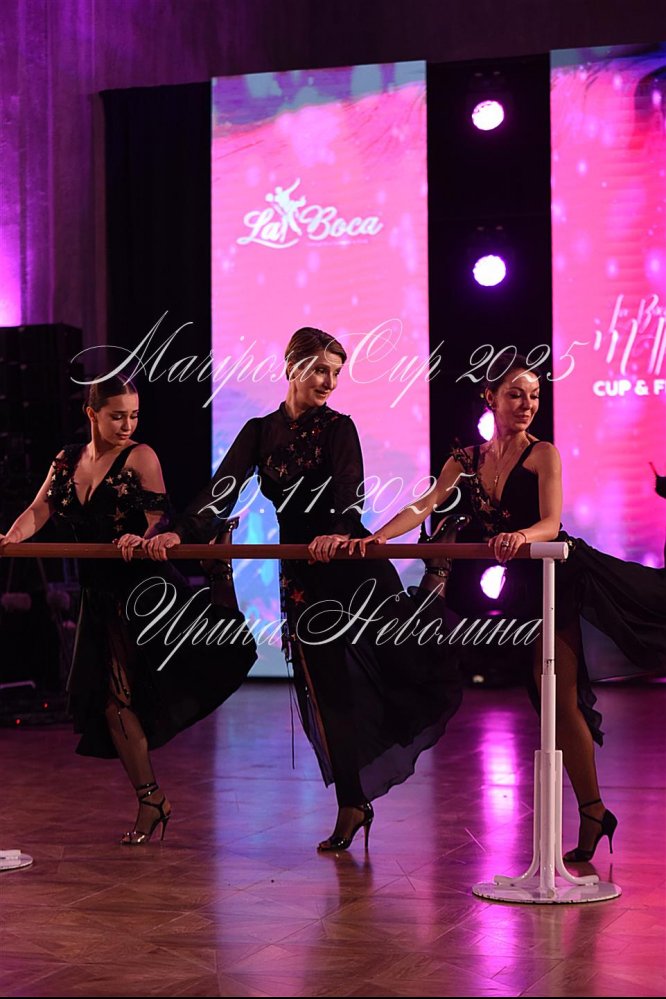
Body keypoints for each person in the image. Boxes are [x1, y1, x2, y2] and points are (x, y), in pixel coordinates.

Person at [144, 327, 462, 851]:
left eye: (336, 373)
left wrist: (335, 533)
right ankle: (353, 803)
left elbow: (348, 496)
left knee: (404, 663)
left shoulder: (339, 427)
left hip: (349, 564)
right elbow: (222, 490)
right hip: (300, 577)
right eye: (319, 369)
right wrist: (181, 532)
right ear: (291, 367)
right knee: (328, 690)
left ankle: (435, 577)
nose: (329, 382)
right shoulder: (259, 432)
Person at [350, 356, 666, 862]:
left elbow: (550, 523)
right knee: (548, 701)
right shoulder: (466, 459)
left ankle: (592, 811)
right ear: (490, 398)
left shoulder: (543, 453)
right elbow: (426, 504)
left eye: (534, 395)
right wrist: (377, 538)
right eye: (516, 394)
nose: (527, 405)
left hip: (557, 577)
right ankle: (594, 812)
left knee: (558, 699)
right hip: (519, 587)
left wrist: (520, 535)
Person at [0, 376, 257, 844]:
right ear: (91, 414)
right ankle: (151, 799)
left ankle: (219, 568)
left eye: (134, 415)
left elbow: (161, 516)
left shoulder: (141, 456)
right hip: (99, 596)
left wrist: (143, 535)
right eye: (117, 416)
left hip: (143, 590)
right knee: (110, 702)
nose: (127, 425)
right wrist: (12, 536)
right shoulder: (66, 460)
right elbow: (39, 509)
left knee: (203, 659)